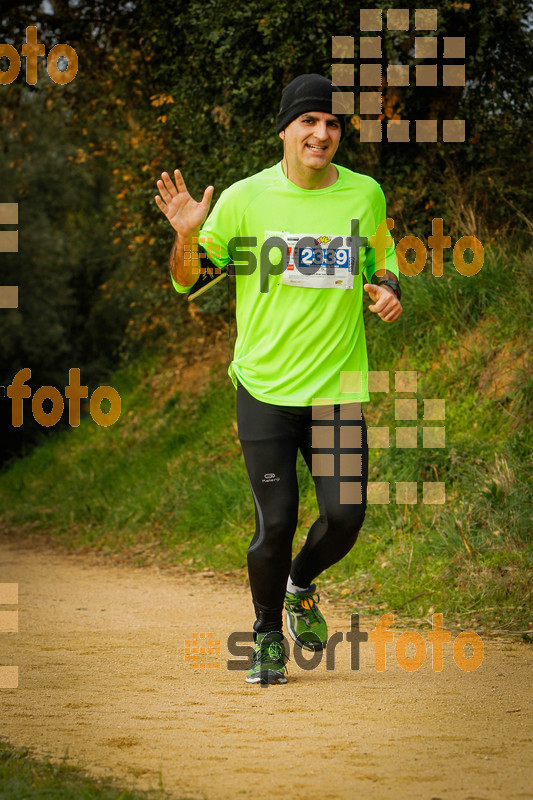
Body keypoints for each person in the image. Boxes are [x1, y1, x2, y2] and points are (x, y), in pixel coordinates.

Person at [154, 74, 402, 686]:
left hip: (338, 390)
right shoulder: (245, 200)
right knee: (277, 522)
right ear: (286, 130)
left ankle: (300, 586)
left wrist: (389, 290)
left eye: (332, 124)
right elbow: (188, 280)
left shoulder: (364, 194)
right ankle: (265, 637)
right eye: (309, 122)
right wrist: (187, 236)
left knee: (345, 517)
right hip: (264, 388)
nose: (322, 134)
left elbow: (384, 258)